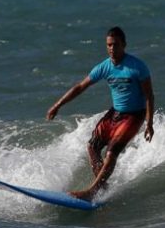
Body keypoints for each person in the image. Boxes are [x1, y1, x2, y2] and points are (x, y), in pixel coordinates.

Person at [46, 26, 155, 200]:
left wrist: (149, 124)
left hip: (134, 115)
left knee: (111, 153)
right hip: (116, 113)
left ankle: (92, 191)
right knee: (92, 146)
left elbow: (149, 96)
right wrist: (57, 105)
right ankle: (103, 186)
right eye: (109, 45)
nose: (112, 48)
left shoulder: (137, 67)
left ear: (124, 45)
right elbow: (81, 87)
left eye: (116, 45)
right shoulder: (104, 67)